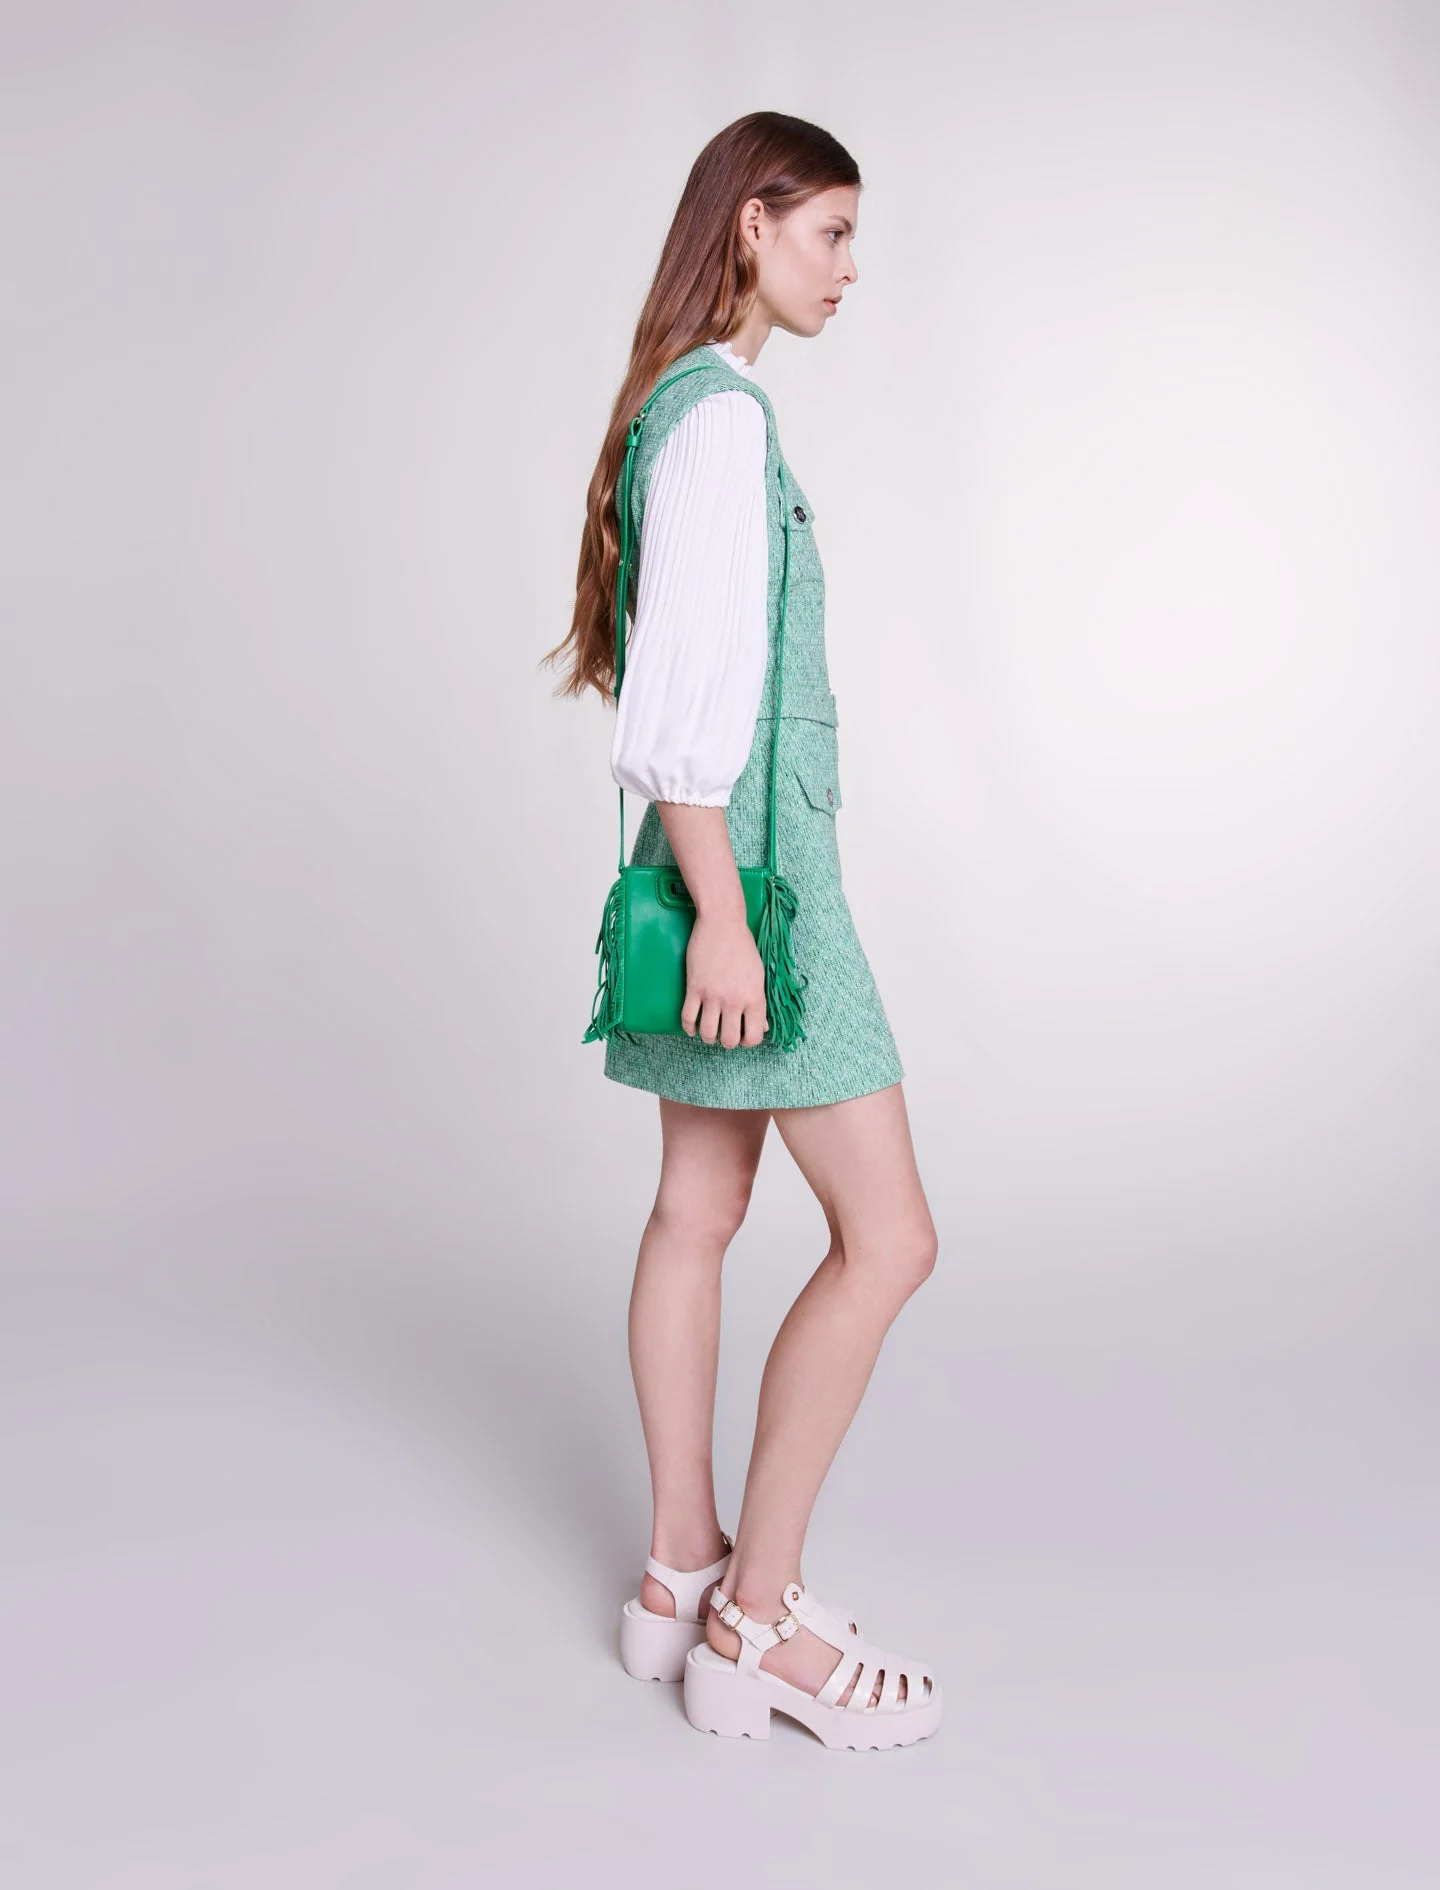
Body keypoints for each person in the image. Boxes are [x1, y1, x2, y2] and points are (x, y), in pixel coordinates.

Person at [542, 112, 942, 1751]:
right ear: (753, 226)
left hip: (720, 870)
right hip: (754, 888)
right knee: (891, 1239)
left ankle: (676, 1574)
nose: (850, 268)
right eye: (831, 231)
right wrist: (725, 916)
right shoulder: (720, 421)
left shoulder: (677, 406)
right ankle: (758, 1621)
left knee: (696, 1208)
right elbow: (675, 716)